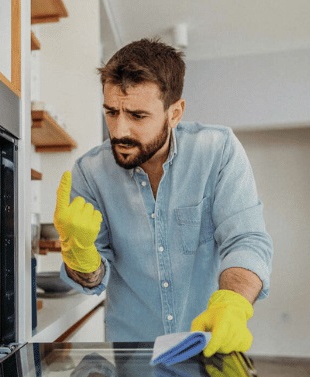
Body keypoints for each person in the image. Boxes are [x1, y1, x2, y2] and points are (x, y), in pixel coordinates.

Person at [53, 38, 273, 357]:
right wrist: (80, 257)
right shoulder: (89, 172)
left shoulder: (218, 150)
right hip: (132, 356)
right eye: (111, 112)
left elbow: (247, 238)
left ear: (175, 112)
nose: (119, 130)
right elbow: (94, 278)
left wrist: (233, 304)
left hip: (209, 343)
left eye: (138, 116)